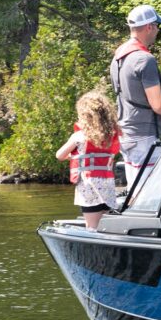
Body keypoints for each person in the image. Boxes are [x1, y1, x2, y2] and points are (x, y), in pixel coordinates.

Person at [110, 4, 161, 186]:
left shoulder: (118, 57)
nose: (158, 30)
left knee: (136, 187)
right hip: (143, 136)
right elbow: (157, 104)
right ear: (149, 27)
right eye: (157, 25)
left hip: (126, 133)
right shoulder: (144, 59)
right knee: (148, 190)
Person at [56, 89, 122, 230]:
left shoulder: (79, 136)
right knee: (104, 223)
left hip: (88, 184)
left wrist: (72, 156)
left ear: (84, 116)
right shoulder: (111, 135)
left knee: (91, 226)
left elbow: (59, 155)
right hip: (107, 183)